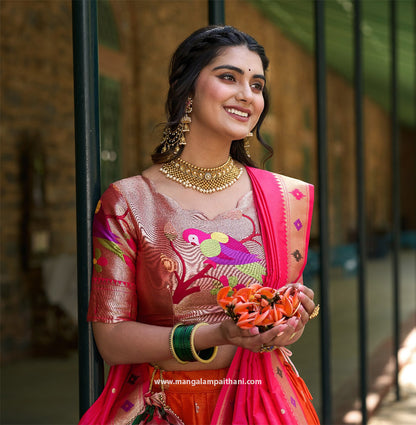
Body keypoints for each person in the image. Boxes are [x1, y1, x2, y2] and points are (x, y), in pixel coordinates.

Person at [79, 25, 320, 425]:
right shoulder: (127, 202)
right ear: (188, 91)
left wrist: (292, 315)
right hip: (164, 408)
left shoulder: (281, 197)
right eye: (229, 77)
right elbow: (111, 340)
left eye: (257, 84)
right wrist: (217, 335)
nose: (247, 94)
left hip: (262, 403)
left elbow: (276, 310)